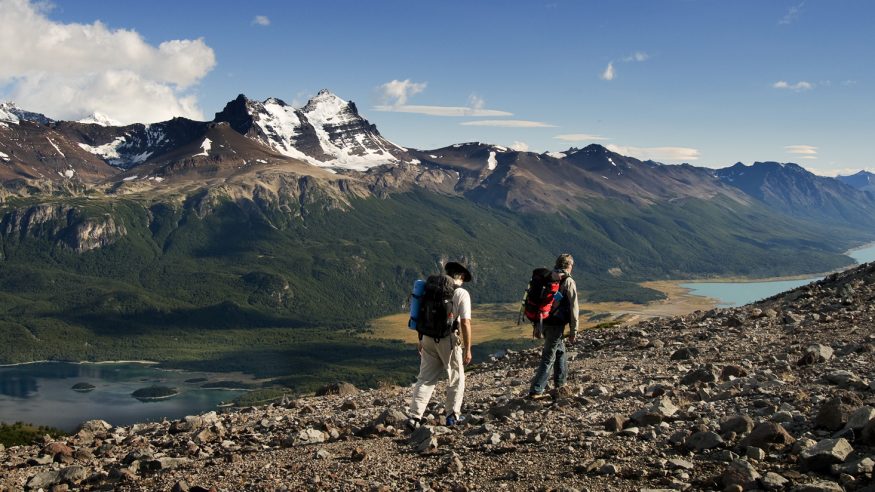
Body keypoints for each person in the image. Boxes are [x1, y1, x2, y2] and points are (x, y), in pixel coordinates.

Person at [409, 261, 473, 426]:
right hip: (448, 340)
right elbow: (465, 322)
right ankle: (452, 416)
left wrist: (420, 339)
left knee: (425, 378)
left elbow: (422, 315)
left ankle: (414, 417)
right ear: (462, 276)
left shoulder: (430, 289)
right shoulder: (461, 293)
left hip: (427, 337)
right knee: (456, 378)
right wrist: (468, 349)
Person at [528, 253, 579, 399]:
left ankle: (561, 383)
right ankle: (536, 390)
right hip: (555, 324)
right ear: (568, 265)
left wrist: (537, 324)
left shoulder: (548, 277)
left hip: (542, 321)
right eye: (572, 265)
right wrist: (574, 330)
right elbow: (574, 307)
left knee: (560, 351)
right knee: (548, 357)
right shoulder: (568, 281)